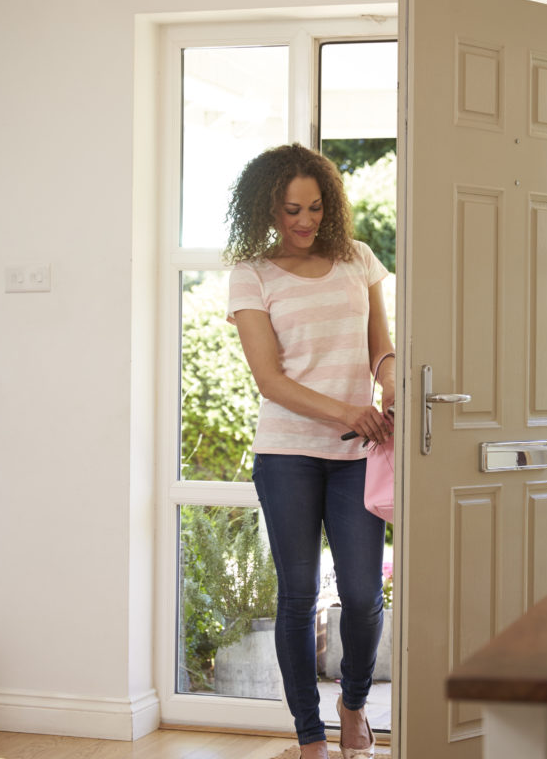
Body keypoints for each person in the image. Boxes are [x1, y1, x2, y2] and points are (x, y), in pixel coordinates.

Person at [225, 143, 394, 759]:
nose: (304, 221)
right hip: (288, 455)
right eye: (291, 209)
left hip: (357, 458)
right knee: (298, 596)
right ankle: (308, 734)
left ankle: (353, 708)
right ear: (268, 207)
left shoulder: (357, 259)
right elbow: (270, 380)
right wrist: (349, 410)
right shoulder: (252, 275)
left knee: (363, 593)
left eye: (316, 208)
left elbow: (381, 346)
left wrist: (393, 385)